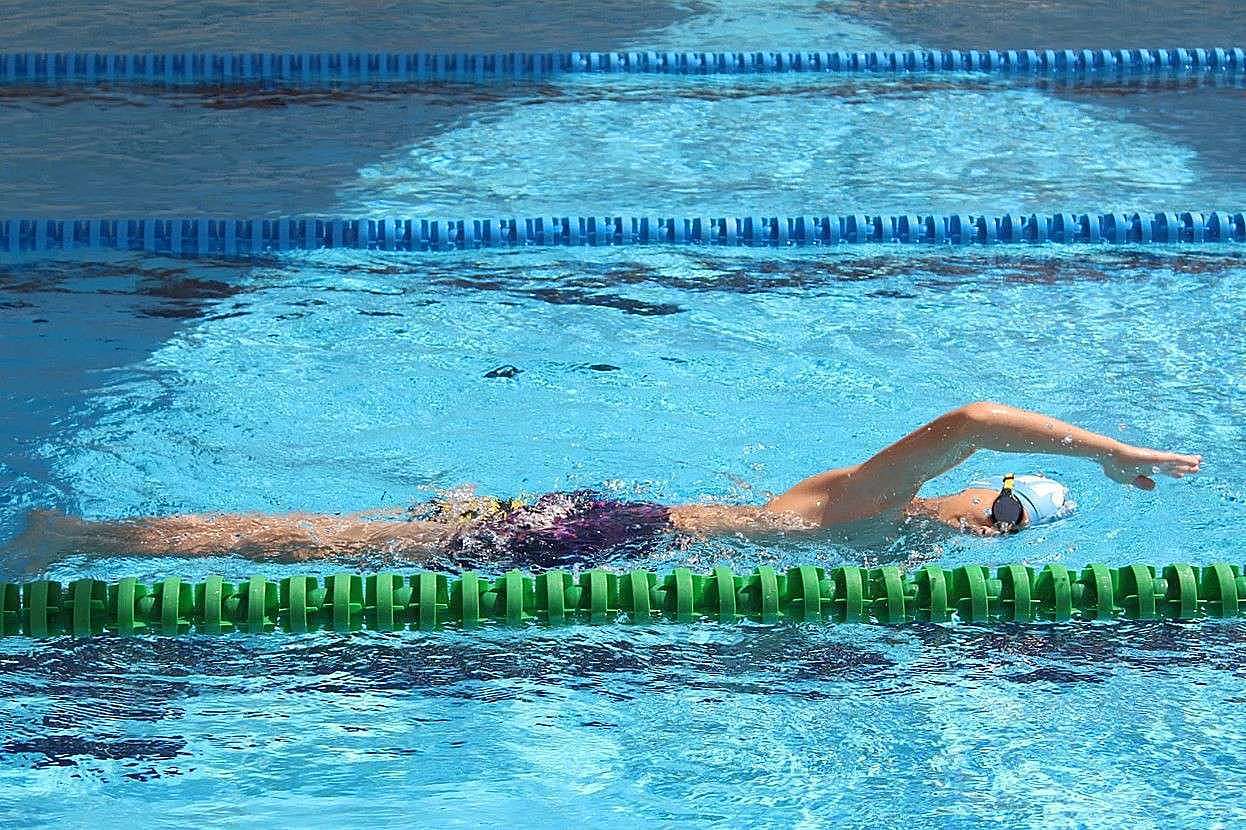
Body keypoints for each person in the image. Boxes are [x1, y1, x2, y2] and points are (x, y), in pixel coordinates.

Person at [5, 402, 1200, 569]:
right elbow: (976, 415)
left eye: (1004, 531)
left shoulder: (911, 545)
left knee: (368, 530)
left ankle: (460, 504)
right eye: (995, 502)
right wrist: (1109, 452)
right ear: (981, 489)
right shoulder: (868, 503)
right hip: (607, 529)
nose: (979, 525)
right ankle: (79, 531)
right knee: (310, 547)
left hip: (606, 518)